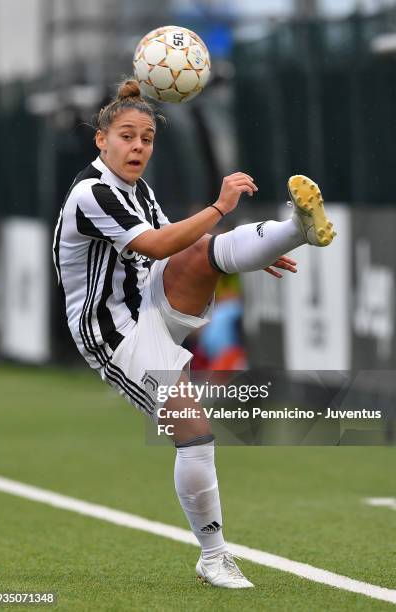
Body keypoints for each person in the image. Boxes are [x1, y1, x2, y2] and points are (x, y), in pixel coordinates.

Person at [53, 79, 335, 589]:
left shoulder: (136, 189)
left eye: (146, 138)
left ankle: (294, 227)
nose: (138, 146)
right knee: (196, 433)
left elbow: (188, 245)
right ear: (101, 140)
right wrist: (222, 206)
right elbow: (159, 245)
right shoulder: (91, 193)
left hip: (151, 298)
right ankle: (214, 556)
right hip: (113, 332)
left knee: (208, 248)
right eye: (126, 136)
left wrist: (251, 251)